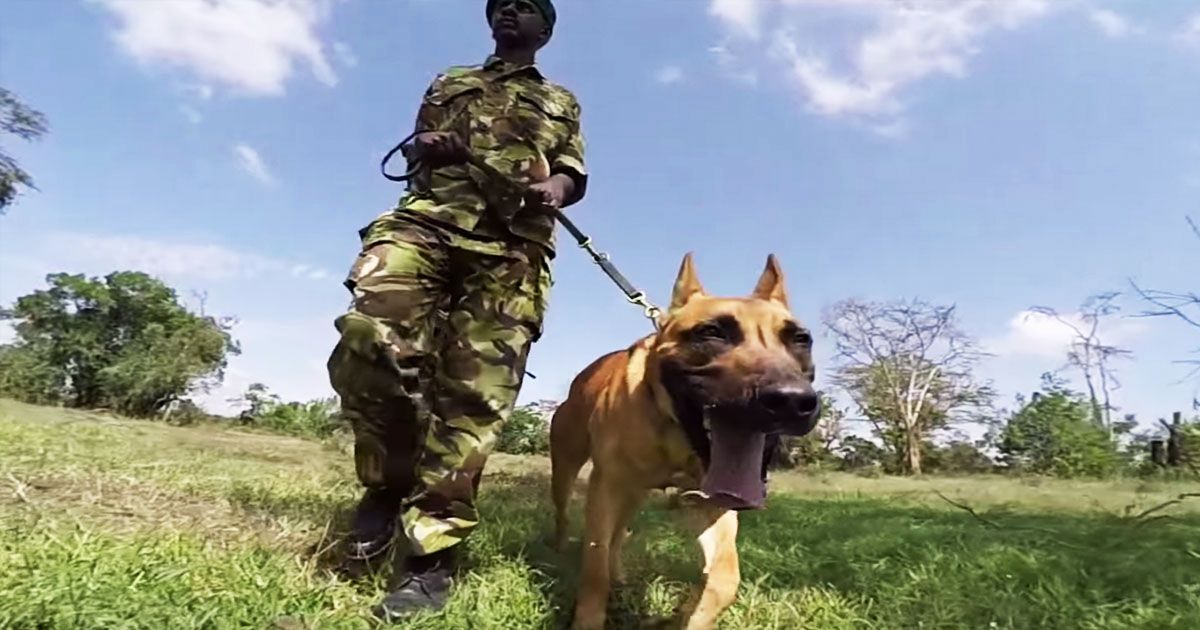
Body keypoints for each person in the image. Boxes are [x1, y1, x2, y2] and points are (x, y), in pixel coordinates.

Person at [325, 0, 586, 621]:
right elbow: (414, 152)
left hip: (513, 246)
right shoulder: (449, 81)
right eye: (501, 6)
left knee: (474, 397)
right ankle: (388, 484)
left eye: (525, 8)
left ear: (544, 31)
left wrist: (556, 188)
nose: (510, 13)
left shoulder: (563, 102)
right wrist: (428, 145)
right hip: (427, 224)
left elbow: (574, 170)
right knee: (369, 333)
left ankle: (429, 554)